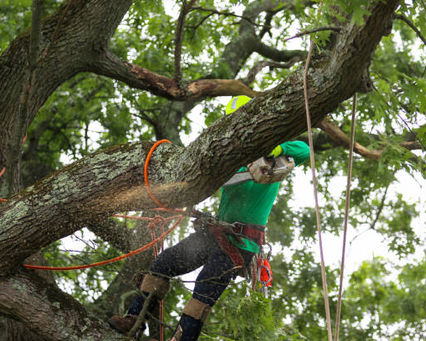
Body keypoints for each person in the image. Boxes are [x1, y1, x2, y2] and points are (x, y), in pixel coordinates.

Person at [108, 96, 310, 341]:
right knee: (164, 263)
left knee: (204, 288)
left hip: (241, 244)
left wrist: (277, 149)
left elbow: (304, 150)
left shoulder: (273, 157)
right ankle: (135, 320)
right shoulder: (231, 159)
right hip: (215, 234)